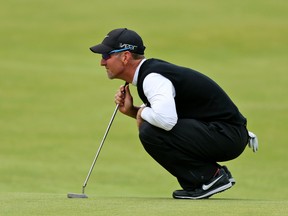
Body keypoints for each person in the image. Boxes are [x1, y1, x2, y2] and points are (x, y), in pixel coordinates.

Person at [89, 28, 258, 199]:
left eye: (106, 56)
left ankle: (209, 178)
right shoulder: (150, 73)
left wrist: (140, 112)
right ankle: (205, 180)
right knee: (150, 126)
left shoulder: (152, 78)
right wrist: (133, 111)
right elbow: (167, 116)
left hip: (226, 135)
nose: (102, 63)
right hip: (224, 133)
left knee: (150, 131)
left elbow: (166, 121)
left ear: (125, 57)